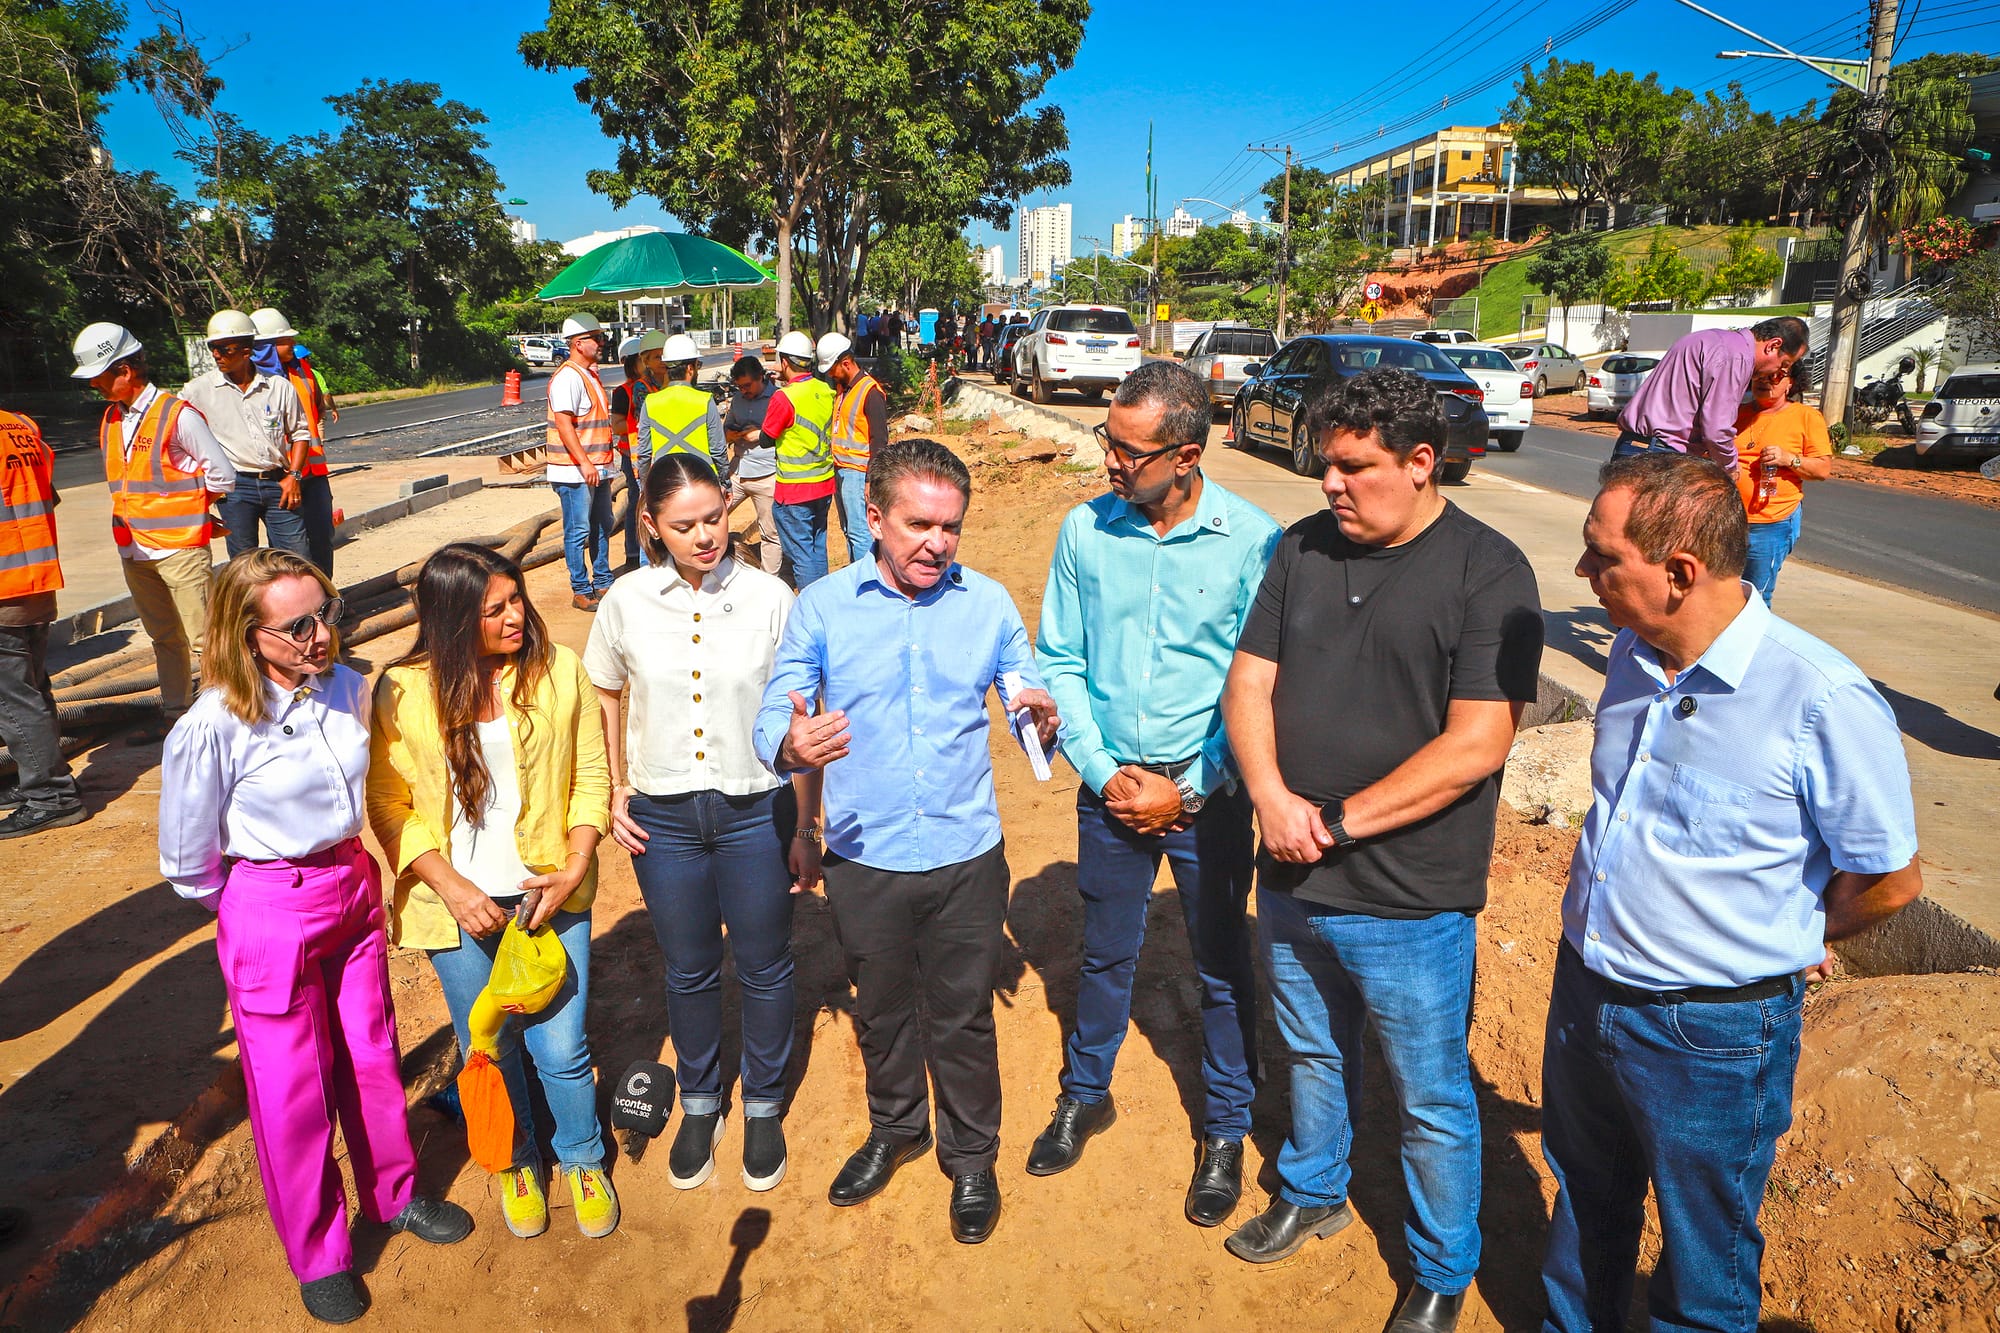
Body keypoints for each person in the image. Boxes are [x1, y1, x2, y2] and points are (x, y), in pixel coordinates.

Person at [1543, 452, 1922, 1327]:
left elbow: (1892, 881)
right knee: (1584, 1206)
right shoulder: (1634, 655)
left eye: (1602, 558)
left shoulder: (1820, 698)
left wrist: (1795, 929)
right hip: (1585, 988)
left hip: (1709, 1033)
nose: (1582, 574)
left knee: (1703, 1254)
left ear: (1680, 574)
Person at [1219, 367, 1543, 1333]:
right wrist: (1275, 802)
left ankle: (1444, 1267)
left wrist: (1335, 823)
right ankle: (1314, 1189)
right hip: (1290, 873)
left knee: (1429, 1094)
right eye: (1327, 465)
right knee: (1312, 1053)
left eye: (1355, 468)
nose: (1331, 485)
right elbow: (1248, 686)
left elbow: (1478, 743)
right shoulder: (1300, 550)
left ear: (1420, 461)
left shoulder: (1492, 571)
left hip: (1411, 896)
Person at [752, 437, 1061, 1246]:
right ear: (875, 516)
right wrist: (790, 746)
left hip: (966, 853)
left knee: (961, 1016)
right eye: (920, 523)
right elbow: (773, 714)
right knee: (881, 1010)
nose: (937, 542)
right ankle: (896, 1127)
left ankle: (971, 1157)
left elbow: (1025, 698)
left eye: (951, 526)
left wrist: (1039, 717)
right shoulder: (821, 606)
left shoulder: (988, 604)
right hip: (863, 854)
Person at [160, 549, 472, 1323]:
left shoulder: (348, 688)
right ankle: (319, 1252)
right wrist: (251, 904)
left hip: (351, 882)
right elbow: (186, 860)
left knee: (370, 1054)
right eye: (296, 626)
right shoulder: (214, 724)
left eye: (325, 613)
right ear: (248, 636)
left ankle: (393, 1195)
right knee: (291, 1088)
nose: (319, 635)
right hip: (270, 899)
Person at [1030, 362, 1279, 1223]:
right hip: (1112, 790)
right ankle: (1084, 1091)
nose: (1109, 463)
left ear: (1185, 454)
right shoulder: (1084, 532)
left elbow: (1260, 684)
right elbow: (1059, 661)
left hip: (1208, 798)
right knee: (1103, 952)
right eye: (1108, 441)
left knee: (1220, 965)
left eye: (1127, 452)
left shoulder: (1254, 541)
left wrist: (1192, 788)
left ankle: (1225, 1126)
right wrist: (1105, 776)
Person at [367, 543, 618, 1244]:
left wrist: (574, 865)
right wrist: (449, 886)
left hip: (548, 895)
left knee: (563, 1048)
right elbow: (388, 801)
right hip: (456, 906)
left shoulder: (557, 670)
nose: (516, 616)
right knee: (491, 1044)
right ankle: (515, 1160)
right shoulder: (401, 690)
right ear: (450, 620)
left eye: (516, 599)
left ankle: (582, 1157)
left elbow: (590, 777)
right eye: (494, 608)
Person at [585, 453, 821, 1194]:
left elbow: (801, 719)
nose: (705, 536)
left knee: (764, 961)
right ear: (651, 525)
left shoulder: (771, 598)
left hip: (757, 808)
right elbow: (606, 691)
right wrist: (617, 788)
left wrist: (805, 825)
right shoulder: (624, 599)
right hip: (665, 815)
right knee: (687, 965)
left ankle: (764, 1102)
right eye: (683, 526)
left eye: (715, 518)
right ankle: (700, 1099)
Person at [71, 322, 235, 745]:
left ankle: (227, 720)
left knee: (205, 641)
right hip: (134, 550)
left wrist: (194, 512)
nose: (95, 386)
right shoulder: (111, 418)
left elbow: (223, 475)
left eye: (100, 377)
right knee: (165, 639)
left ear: (125, 371)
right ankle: (177, 716)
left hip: (180, 548)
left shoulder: (176, 414)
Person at [0, 406, 84, 838]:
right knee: (32, 689)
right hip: (34, 578)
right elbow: (45, 495)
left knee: (14, 700)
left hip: (3, 590)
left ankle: (51, 796)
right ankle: (45, 780)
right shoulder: (21, 425)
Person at [181, 310, 312, 562]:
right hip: (234, 490)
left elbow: (299, 432)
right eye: (213, 348)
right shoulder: (197, 391)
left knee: (297, 560)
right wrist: (200, 497)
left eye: (224, 348)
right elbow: (180, 440)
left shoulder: (278, 387)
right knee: (245, 564)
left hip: (279, 485)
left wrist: (294, 476)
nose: (217, 355)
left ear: (246, 350)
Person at [1614, 315, 1809, 476]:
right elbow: (1717, 429)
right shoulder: (1736, 357)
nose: (1775, 373)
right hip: (1662, 455)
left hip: (1633, 445)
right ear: (1773, 346)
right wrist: (1730, 467)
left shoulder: (1710, 338)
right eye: (1783, 365)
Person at [1733, 360, 1832, 606]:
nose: (1765, 381)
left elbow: (1822, 469)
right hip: (1727, 519)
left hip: (1771, 522)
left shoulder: (1806, 417)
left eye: (1776, 376)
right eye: (1759, 375)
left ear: (1791, 383)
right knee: (1717, 593)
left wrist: (1789, 458)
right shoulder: (1736, 413)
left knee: (1755, 597)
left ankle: (1754, 644)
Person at [250, 308, 340, 577]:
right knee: (292, 549)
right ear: (265, 346)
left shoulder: (303, 370)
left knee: (322, 538)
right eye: (285, 341)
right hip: (282, 477)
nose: (293, 345)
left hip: (312, 473)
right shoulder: (252, 382)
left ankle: (326, 598)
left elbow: (315, 412)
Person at [547, 313, 617, 610]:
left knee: (602, 525)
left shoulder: (589, 374)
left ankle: (602, 581)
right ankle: (580, 588)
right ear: (578, 343)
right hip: (575, 471)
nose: (601, 343)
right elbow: (564, 425)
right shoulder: (568, 378)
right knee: (578, 531)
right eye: (596, 338)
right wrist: (585, 463)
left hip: (597, 467)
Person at [758, 330, 837, 588]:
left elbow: (766, 438)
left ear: (784, 363)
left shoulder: (783, 397)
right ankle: (823, 598)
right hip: (824, 483)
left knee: (802, 556)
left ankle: (811, 605)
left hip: (794, 491)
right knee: (816, 547)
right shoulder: (825, 390)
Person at [819, 332, 886, 566]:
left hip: (858, 472)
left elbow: (879, 440)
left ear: (845, 363)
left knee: (859, 533)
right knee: (849, 530)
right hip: (842, 470)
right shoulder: (843, 388)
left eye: (832, 369)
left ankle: (866, 579)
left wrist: (871, 478)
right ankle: (856, 574)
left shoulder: (870, 392)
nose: (829, 374)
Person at [724, 355, 784, 577]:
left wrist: (759, 435)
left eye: (748, 385)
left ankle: (770, 581)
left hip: (768, 474)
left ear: (761, 377)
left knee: (770, 533)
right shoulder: (738, 400)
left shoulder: (778, 398)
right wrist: (729, 432)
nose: (744, 391)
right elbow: (726, 426)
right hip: (738, 471)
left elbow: (786, 432)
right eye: (740, 387)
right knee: (714, 515)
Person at [640, 332, 728, 477]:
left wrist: (645, 486)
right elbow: (718, 451)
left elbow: (644, 454)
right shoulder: (705, 400)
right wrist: (725, 482)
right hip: (701, 479)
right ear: (690, 368)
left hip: (665, 480)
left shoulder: (650, 402)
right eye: (697, 365)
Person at [608, 333, 652, 568]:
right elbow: (617, 426)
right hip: (632, 455)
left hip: (651, 452)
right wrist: (644, 422)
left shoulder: (653, 387)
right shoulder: (623, 392)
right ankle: (634, 555)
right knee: (637, 503)